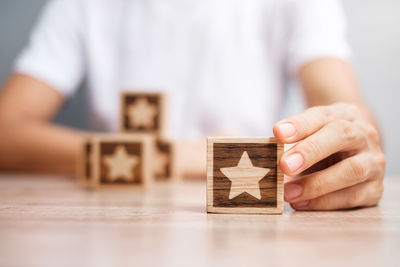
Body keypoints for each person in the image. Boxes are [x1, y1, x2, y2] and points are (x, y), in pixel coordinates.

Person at [0, 0, 385, 211]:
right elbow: (6, 131)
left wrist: (352, 141)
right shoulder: (84, 6)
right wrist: (188, 156)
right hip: (117, 216)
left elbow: (340, 105)